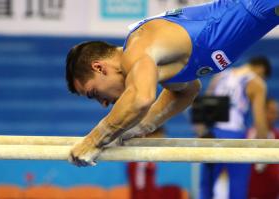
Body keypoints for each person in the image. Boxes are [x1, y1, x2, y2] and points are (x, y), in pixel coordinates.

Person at [65, 0, 279, 167]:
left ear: (99, 67)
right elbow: (187, 91)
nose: (103, 104)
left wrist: (93, 140)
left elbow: (140, 99)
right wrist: (139, 126)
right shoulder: (158, 65)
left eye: (93, 93)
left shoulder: (138, 48)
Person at [198, 56, 272, 199]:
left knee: (206, 186)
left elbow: (204, 107)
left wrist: (202, 134)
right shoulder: (256, 82)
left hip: (213, 135)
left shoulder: (221, 75)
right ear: (260, 70)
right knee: (237, 187)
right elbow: (259, 120)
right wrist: (264, 148)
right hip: (236, 137)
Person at [248, 99, 279, 199]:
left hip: (273, 192)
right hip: (254, 191)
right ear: (262, 112)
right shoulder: (249, 135)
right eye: (272, 112)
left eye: (276, 113)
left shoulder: (277, 135)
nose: (275, 116)